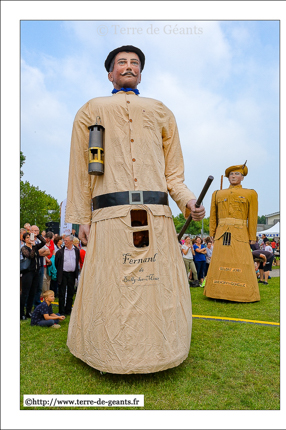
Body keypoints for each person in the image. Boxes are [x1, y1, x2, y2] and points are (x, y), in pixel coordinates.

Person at [64, 45, 205, 374]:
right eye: (122, 63)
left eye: (135, 63)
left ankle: (161, 353)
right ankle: (106, 354)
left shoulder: (160, 111)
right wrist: (81, 219)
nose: (129, 67)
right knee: (112, 286)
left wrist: (187, 202)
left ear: (141, 71)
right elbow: (79, 170)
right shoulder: (91, 110)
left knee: (154, 285)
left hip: (155, 215)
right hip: (108, 218)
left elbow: (174, 175)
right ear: (110, 73)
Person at [204, 162, 260, 302]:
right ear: (227, 177)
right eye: (231, 174)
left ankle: (242, 293)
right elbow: (213, 214)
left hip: (240, 233)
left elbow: (252, 217)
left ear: (242, 177)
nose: (233, 176)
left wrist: (252, 236)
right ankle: (215, 291)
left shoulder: (250, 193)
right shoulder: (217, 193)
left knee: (241, 261)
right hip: (222, 232)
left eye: (237, 174)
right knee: (219, 261)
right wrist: (212, 232)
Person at [20, 231, 46, 320]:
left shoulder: (35, 246)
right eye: (27, 237)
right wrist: (33, 246)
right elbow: (30, 256)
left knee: (32, 293)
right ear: (24, 239)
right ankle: (21, 313)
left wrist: (37, 235)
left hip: (36, 272)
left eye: (29, 237)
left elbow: (44, 242)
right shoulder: (24, 248)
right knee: (25, 293)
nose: (29, 239)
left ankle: (28, 312)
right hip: (27, 273)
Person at [55, 235, 80, 316]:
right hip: (63, 274)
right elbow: (57, 263)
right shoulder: (60, 252)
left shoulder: (76, 250)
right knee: (62, 293)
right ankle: (61, 310)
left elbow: (77, 262)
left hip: (72, 274)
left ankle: (68, 310)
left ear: (71, 242)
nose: (64, 242)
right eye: (64, 240)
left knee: (70, 292)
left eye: (66, 240)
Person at [31, 225, 51, 309]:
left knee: (39, 286)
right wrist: (40, 252)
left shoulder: (40, 240)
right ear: (30, 231)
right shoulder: (30, 239)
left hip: (41, 265)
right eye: (34, 230)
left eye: (37, 230)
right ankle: (29, 303)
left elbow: (48, 251)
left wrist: (38, 252)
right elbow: (31, 253)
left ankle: (37, 304)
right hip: (32, 266)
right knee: (32, 286)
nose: (36, 232)